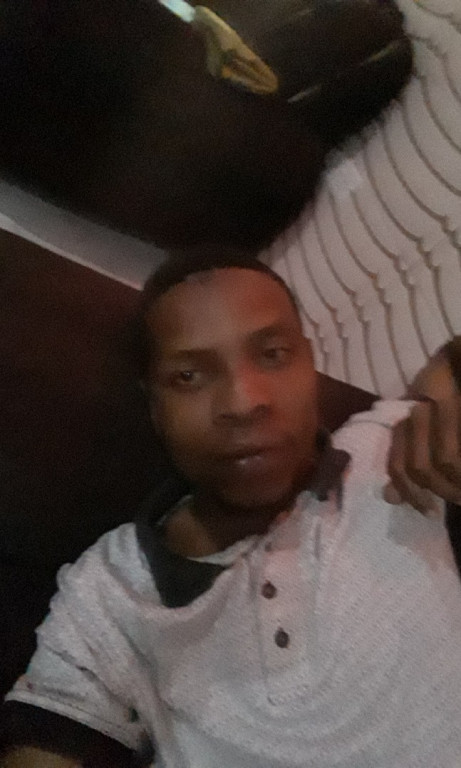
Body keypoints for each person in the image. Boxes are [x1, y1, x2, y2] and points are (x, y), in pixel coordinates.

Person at [2, 254, 461, 768]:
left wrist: (447, 385)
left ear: (310, 363)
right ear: (154, 406)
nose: (244, 403)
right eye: (189, 376)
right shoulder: (110, 593)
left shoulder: (389, 453)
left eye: (274, 355)